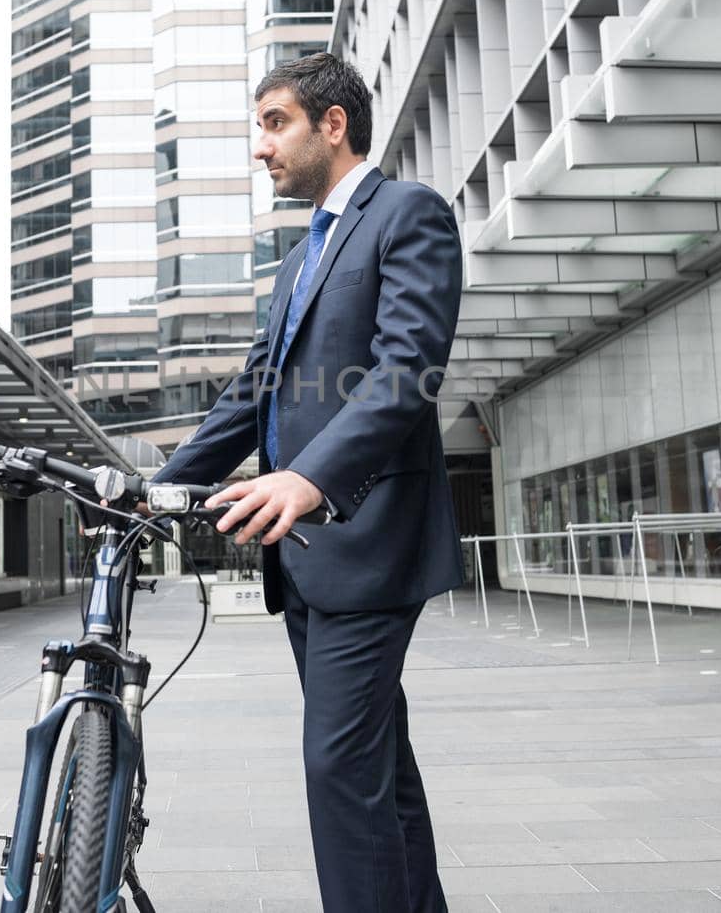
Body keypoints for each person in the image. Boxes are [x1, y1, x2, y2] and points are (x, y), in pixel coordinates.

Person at [154, 52, 464, 912]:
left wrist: (310, 480)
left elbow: (407, 371)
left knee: (338, 766)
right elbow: (252, 393)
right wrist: (156, 489)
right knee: (374, 767)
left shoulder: (407, 213)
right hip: (306, 562)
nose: (261, 147)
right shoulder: (300, 261)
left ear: (333, 124)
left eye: (274, 123)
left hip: (368, 539)